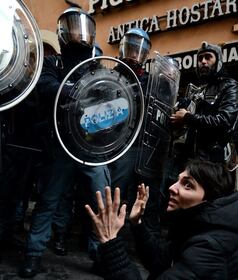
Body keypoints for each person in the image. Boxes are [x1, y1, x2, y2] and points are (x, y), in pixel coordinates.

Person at [18, 7, 111, 278]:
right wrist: (80, 92)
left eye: (80, 26)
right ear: (61, 32)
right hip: (61, 145)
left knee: (101, 204)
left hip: (92, 147)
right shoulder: (53, 64)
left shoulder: (96, 66)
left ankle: (101, 254)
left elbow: (109, 97)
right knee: (49, 200)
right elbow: (46, 88)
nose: (76, 32)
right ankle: (34, 254)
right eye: (71, 26)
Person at [86, 160, 238, 279]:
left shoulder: (209, 247)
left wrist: (111, 242)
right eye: (178, 180)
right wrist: (137, 223)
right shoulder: (196, 223)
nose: (172, 187)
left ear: (209, 199)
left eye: (188, 185)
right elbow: (159, 261)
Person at [107, 28, 162, 237]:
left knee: (143, 194)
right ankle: (111, 237)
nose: (132, 54)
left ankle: (140, 240)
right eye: (129, 48)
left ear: (145, 53)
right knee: (117, 192)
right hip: (121, 144)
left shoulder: (151, 81)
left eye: (137, 50)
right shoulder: (112, 77)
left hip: (144, 145)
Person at [170, 41, 238, 165]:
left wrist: (187, 117)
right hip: (188, 159)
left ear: (218, 62)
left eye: (208, 57)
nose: (203, 61)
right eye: (200, 58)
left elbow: (225, 121)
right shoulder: (198, 90)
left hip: (211, 161)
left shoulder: (229, 86)